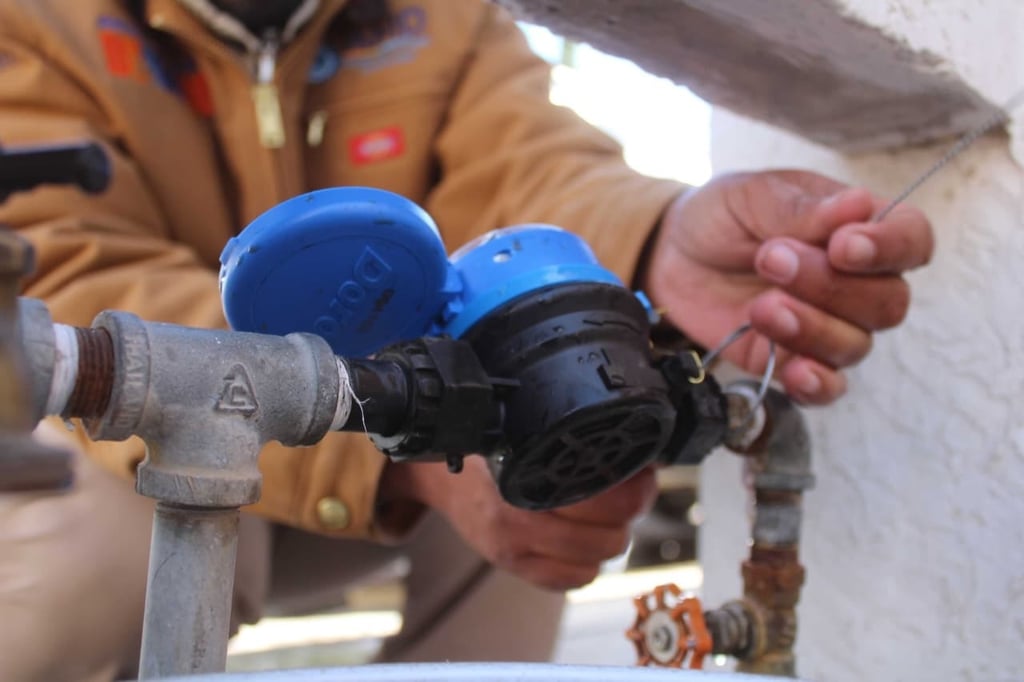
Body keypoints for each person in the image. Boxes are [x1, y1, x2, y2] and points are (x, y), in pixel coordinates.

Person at [0, 0, 933, 680]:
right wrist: (404, 453)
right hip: (133, 463)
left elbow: (525, 163)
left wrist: (656, 237)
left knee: (541, 461)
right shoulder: (35, 23)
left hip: (367, 462)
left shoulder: (440, 20)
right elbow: (67, 273)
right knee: (100, 545)